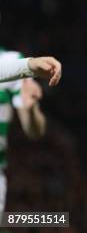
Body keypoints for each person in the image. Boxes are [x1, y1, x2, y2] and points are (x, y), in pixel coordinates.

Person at [0, 48, 48, 214]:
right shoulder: (18, 65)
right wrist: (30, 64)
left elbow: (36, 131)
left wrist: (30, 109)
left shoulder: (11, 59)